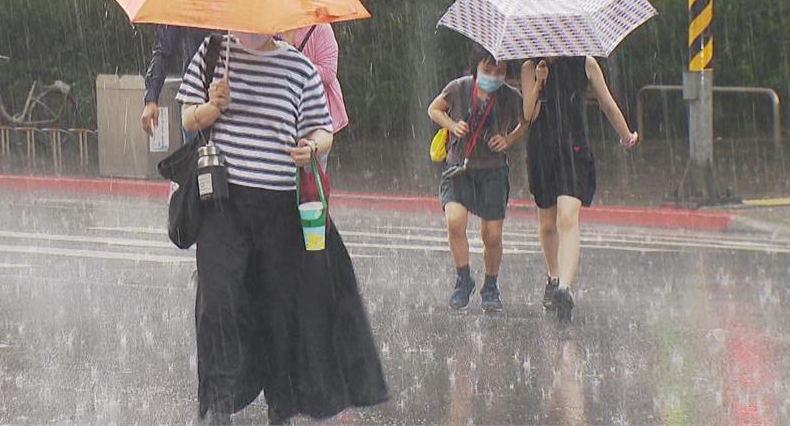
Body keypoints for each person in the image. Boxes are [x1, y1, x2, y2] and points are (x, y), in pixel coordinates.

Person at [177, 32, 387, 425]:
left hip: (279, 210)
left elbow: (323, 130)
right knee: (219, 305)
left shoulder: (299, 68)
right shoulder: (213, 52)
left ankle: (282, 406)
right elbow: (188, 117)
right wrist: (211, 108)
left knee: (279, 311)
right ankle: (218, 407)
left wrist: (312, 148)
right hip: (223, 205)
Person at [521, 56, 639, 321]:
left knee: (567, 217)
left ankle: (564, 288)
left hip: (574, 150)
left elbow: (607, 102)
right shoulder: (530, 67)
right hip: (542, 151)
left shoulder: (585, 64)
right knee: (548, 224)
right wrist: (539, 82)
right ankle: (553, 276)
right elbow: (529, 115)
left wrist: (626, 135)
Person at [428, 49, 527, 313]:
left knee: (492, 235)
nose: (492, 76)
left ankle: (490, 287)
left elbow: (526, 120)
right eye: (487, 70)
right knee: (454, 221)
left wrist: (509, 140)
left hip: (493, 170)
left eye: (499, 72)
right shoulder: (459, 88)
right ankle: (463, 280)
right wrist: (452, 125)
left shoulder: (509, 96)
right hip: (459, 167)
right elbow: (434, 109)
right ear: (475, 69)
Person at [140, 25, 213, 137]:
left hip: (234, 100)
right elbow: (164, 50)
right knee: (194, 151)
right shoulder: (182, 10)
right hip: (194, 101)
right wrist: (151, 98)